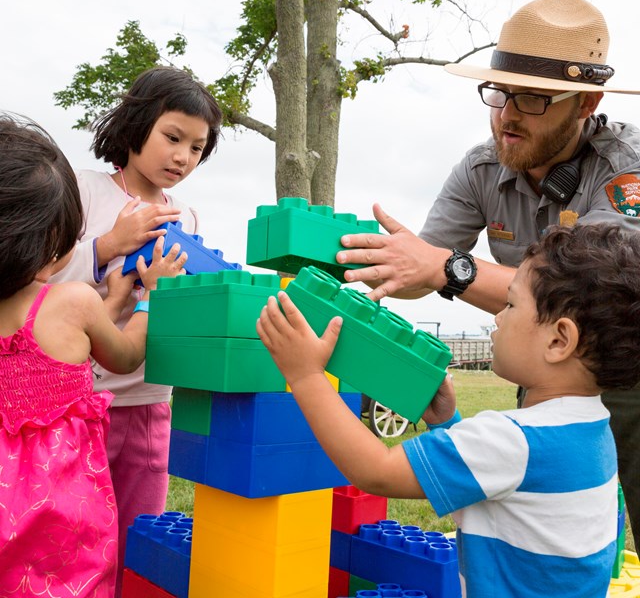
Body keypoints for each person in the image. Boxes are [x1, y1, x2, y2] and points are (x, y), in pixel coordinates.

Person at [335, 0, 640, 549]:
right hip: (549, 374)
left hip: (630, 372)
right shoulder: (481, 167)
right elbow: (417, 267)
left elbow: (585, 301)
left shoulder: (627, 170)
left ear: (586, 103)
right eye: (499, 93)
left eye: (533, 98)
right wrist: (360, 261)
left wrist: (445, 267)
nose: (507, 116)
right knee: (546, 534)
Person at [259, 223, 640, 598]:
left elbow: (376, 472)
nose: (498, 317)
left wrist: (306, 374)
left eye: (510, 304)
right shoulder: (593, 427)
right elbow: (498, 490)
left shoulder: (513, 439)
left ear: (559, 340)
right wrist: (446, 423)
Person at [50, 65, 223, 596]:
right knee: (73, 532)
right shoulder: (83, 191)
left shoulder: (186, 218)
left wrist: (175, 292)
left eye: (197, 148)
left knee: (137, 533)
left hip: (149, 400)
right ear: (136, 125)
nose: (182, 157)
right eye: (173, 137)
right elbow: (42, 278)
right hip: (79, 400)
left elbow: (183, 311)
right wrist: (107, 247)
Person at [0, 114, 187, 597]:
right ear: (49, 238)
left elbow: (57, 343)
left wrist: (110, 303)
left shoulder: (70, 309)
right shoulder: (74, 304)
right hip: (59, 503)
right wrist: (150, 298)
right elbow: (122, 355)